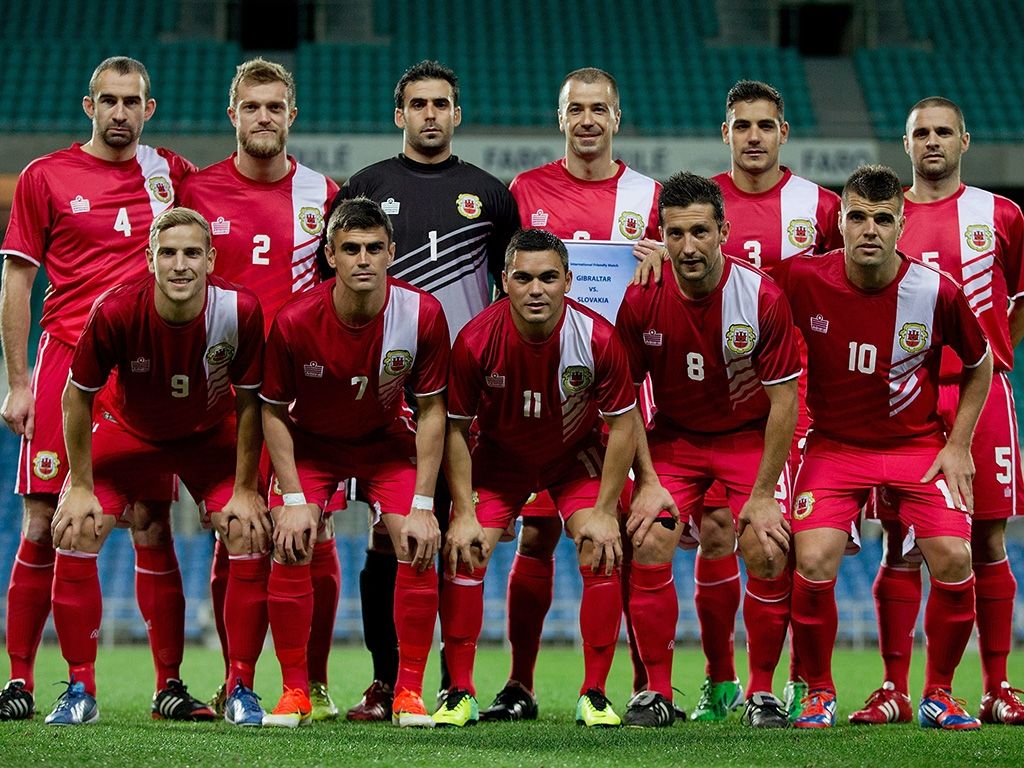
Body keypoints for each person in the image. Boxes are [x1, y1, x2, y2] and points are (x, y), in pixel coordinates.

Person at [0, 57, 200, 722]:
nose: (119, 112)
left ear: (150, 108)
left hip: (143, 371)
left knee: (151, 523)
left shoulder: (169, 174)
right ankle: (24, 682)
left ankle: (167, 684)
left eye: (131, 101)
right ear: (89, 105)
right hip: (65, 366)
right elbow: (18, 284)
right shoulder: (44, 176)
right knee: (42, 521)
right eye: (108, 100)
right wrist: (18, 381)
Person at [324, 60, 519, 721]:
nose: (430, 114)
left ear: (456, 114)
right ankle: (387, 681)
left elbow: (515, 295)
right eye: (418, 104)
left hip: (464, 399)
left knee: (454, 535)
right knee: (390, 535)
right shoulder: (366, 186)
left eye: (442, 104)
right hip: (384, 395)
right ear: (398, 113)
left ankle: (449, 683)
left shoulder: (491, 195)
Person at [775, 164, 992, 730]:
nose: (869, 229)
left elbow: (980, 362)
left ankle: (939, 693)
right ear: (840, 222)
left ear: (902, 225)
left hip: (917, 445)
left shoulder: (936, 290)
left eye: (882, 219)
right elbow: (737, 291)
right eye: (857, 217)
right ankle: (817, 692)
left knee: (954, 557)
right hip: (834, 446)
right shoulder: (802, 278)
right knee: (815, 556)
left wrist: (959, 443)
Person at [484, 66, 660, 721]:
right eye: (576, 109)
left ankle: (643, 687)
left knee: (628, 540)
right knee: (533, 539)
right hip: (535, 406)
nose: (588, 120)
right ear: (561, 118)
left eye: (599, 110)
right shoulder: (525, 190)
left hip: (619, 401)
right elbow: (500, 281)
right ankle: (519, 686)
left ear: (617, 119)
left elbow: (675, 295)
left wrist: (662, 263)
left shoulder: (652, 196)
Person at [43, 208, 266, 725]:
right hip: (131, 432)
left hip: (211, 434)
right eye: (168, 253)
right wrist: (78, 485)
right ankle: (80, 688)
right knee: (76, 526)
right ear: (149, 258)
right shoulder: (117, 309)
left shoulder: (240, 310)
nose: (180, 265)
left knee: (248, 530)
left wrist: (245, 487)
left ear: (211, 259)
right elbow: (77, 398)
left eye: (192, 253)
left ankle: (240, 687)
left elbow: (253, 402)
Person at [851, 98, 1024, 726]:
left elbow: (1016, 303)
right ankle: (894, 689)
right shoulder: (884, 213)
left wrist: (988, 362)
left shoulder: (1001, 214)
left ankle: (994, 686)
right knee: (901, 539)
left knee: (989, 535)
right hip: (906, 400)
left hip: (982, 397)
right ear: (905, 143)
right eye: (920, 132)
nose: (932, 142)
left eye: (943, 132)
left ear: (964, 141)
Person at [178, 57, 340, 721]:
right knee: (234, 532)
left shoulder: (323, 195)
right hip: (220, 397)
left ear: (291, 116)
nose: (264, 117)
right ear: (233, 115)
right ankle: (235, 678)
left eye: (275, 107)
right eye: (252, 107)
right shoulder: (196, 191)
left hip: (299, 400)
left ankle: (318, 683)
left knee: (314, 534)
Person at [617, 172, 800, 728]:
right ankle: (655, 692)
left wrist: (765, 492)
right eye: (675, 234)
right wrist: (646, 481)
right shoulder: (642, 297)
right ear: (662, 235)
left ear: (724, 230)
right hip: (675, 438)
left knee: (767, 547)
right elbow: (623, 399)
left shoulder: (762, 296)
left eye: (700, 232)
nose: (688, 247)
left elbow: (785, 402)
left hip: (748, 439)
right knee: (647, 537)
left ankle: (763, 693)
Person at [434, 228, 637, 728]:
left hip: (574, 458)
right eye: (523, 278)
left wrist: (608, 512)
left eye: (548, 277)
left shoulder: (598, 339)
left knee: (599, 544)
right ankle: (459, 691)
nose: (536, 289)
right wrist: (462, 513)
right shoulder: (476, 340)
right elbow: (455, 432)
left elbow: (624, 424)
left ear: (569, 280)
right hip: (502, 459)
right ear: (504, 281)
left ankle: (594, 693)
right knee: (467, 545)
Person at [260, 197, 449, 728]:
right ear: (330, 255)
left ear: (392, 252)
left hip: (386, 445)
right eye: (350, 249)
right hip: (313, 445)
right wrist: (294, 499)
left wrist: (424, 503)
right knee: (291, 539)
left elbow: (433, 410)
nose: (363, 259)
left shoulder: (421, 313)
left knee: (415, 542)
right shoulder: (296, 320)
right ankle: (296, 691)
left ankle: (409, 692)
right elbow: (272, 413)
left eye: (373, 248)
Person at [691, 79, 843, 723]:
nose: (754, 136)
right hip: (705, 397)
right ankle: (720, 681)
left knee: (777, 541)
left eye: (766, 125)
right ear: (725, 134)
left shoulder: (824, 206)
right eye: (742, 125)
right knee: (715, 532)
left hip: (795, 399)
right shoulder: (696, 204)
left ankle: (786, 683)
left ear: (784, 133)